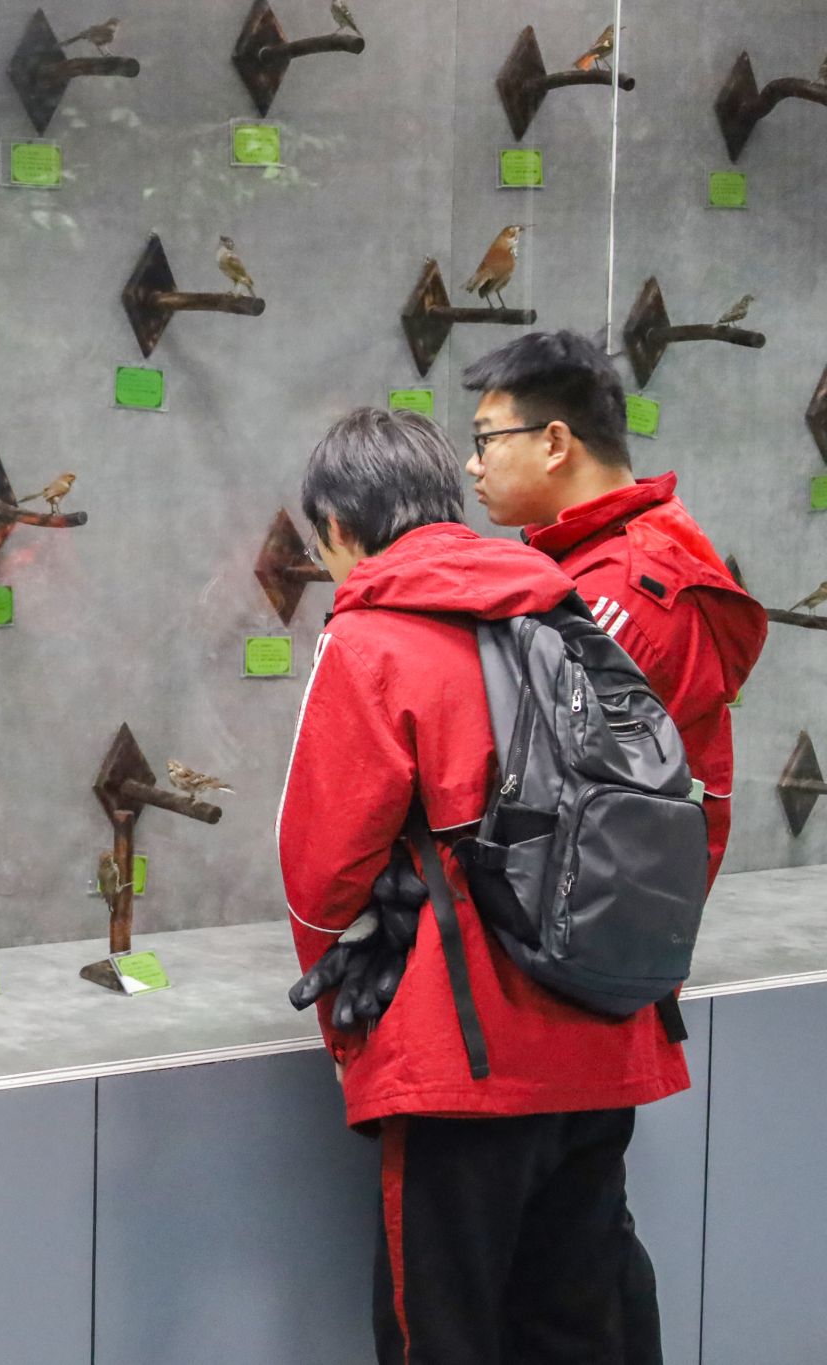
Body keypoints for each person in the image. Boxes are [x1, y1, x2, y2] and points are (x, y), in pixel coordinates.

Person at [278, 407, 688, 1365]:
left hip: (463, 1057)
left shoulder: (371, 637)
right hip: (605, 1024)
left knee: (442, 1332)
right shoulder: (557, 606)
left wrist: (343, 1023)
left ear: (338, 526)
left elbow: (322, 871)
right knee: (578, 1328)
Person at [462, 329, 766, 881]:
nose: (473, 465)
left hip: (582, 905)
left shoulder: (623, 591)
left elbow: (525, 766)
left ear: (555, 443)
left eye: (486, 441)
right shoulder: (605, 550)